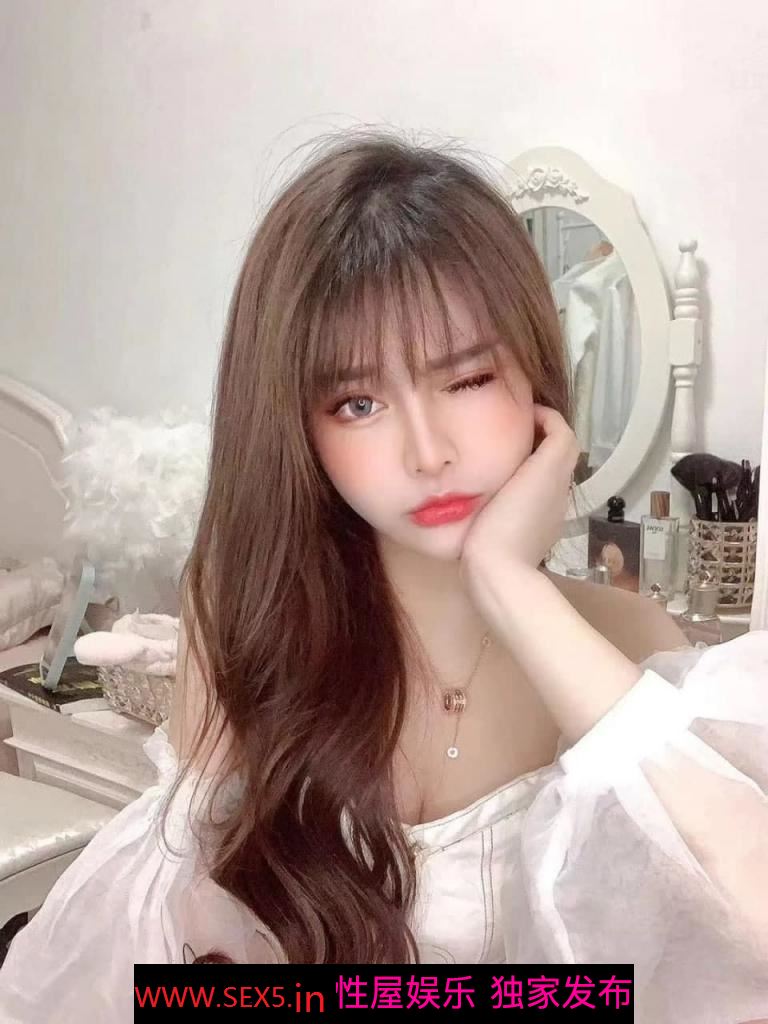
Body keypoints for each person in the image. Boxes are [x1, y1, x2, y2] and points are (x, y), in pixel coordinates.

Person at [1, 131, 766, 1023]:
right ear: (298, 428)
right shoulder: (249, 623)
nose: (427, 452)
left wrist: (510, 585)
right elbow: (189, 952)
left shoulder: (629, 642)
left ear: (536, 376)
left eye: (467, 379)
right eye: (358, 403)